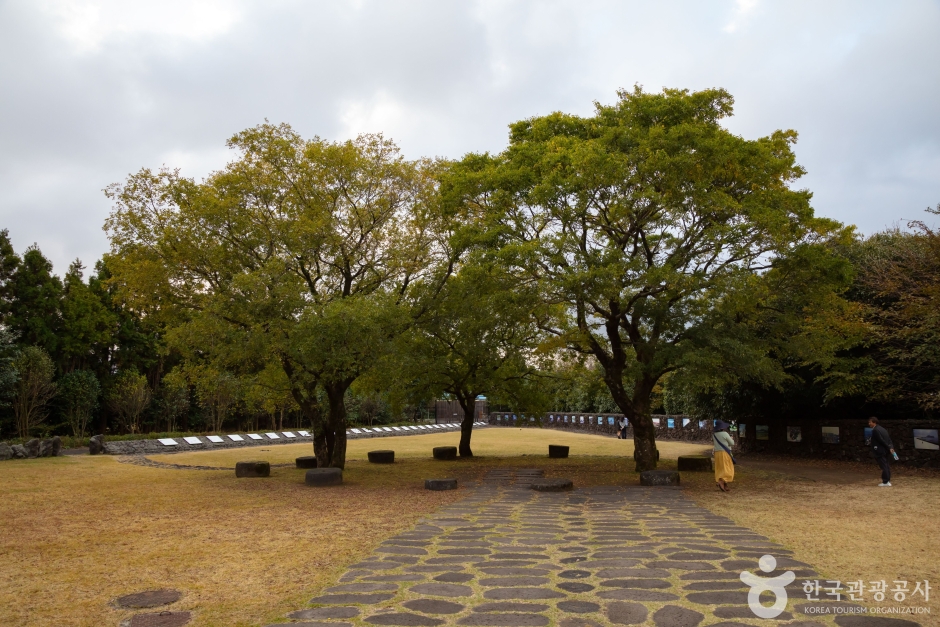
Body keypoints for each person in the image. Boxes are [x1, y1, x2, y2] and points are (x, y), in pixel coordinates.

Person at [866, 417, 896, 487]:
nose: (869, 423)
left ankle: (885, 481)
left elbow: (881, 440)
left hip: (880, 450)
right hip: (886, 450)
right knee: (886, 465)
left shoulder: (875, 430)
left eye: (870, 422)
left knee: (884, 466)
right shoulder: (883, 429)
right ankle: (887, 480)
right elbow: (889, 440)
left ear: (874, 422)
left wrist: (889, 447)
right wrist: (890, 447)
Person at [713, 420, 735, 492]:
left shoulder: (714, 435)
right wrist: (731, 439)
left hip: (717, 453)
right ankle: (722, 481)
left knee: (720, 468)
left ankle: (724, 483)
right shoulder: (725, 434)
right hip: (725, 452)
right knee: (728, 468)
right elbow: (732, 443)